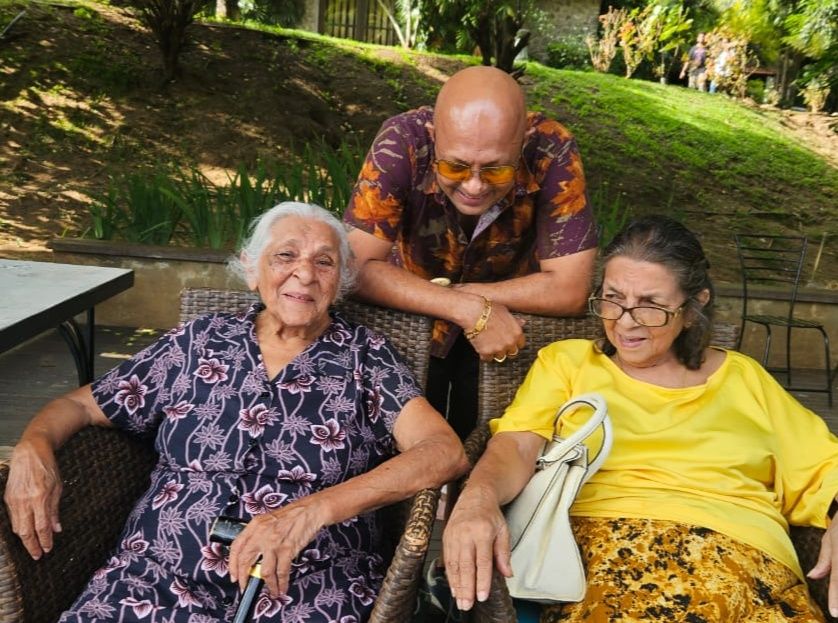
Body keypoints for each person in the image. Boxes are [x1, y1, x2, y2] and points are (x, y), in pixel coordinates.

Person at [4, 202, 468, 622]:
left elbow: (444, 451)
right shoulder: (197, 342)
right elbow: (79, 405)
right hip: (155, 578)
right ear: (251, 269)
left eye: (324, 262)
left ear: (341, 281)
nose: (304, 274)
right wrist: (33, 445)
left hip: (309, 586)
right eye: (285, 256)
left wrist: (311, 512)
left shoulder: (366, 357)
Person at [442, 215, 837, 622]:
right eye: (612, 298)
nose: (625, 321)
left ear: (693, 308)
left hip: (751, 562)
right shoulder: (569, 363)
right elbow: (516, 445)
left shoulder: (744, 378)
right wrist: (478, 498)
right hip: (615, 553)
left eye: (650, 305)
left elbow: (823, 465)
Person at [344, 65, 598, 441]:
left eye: (495, 170)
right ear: (434, 136)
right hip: (407, 318)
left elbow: (572, 289)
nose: (475, 185)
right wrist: (463, 308)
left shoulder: (551, 148)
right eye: (455, 166)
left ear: (523, 142)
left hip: (507, 331)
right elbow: (353, 268)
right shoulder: (403, 140)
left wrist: (468, 301)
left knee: (483, 443)